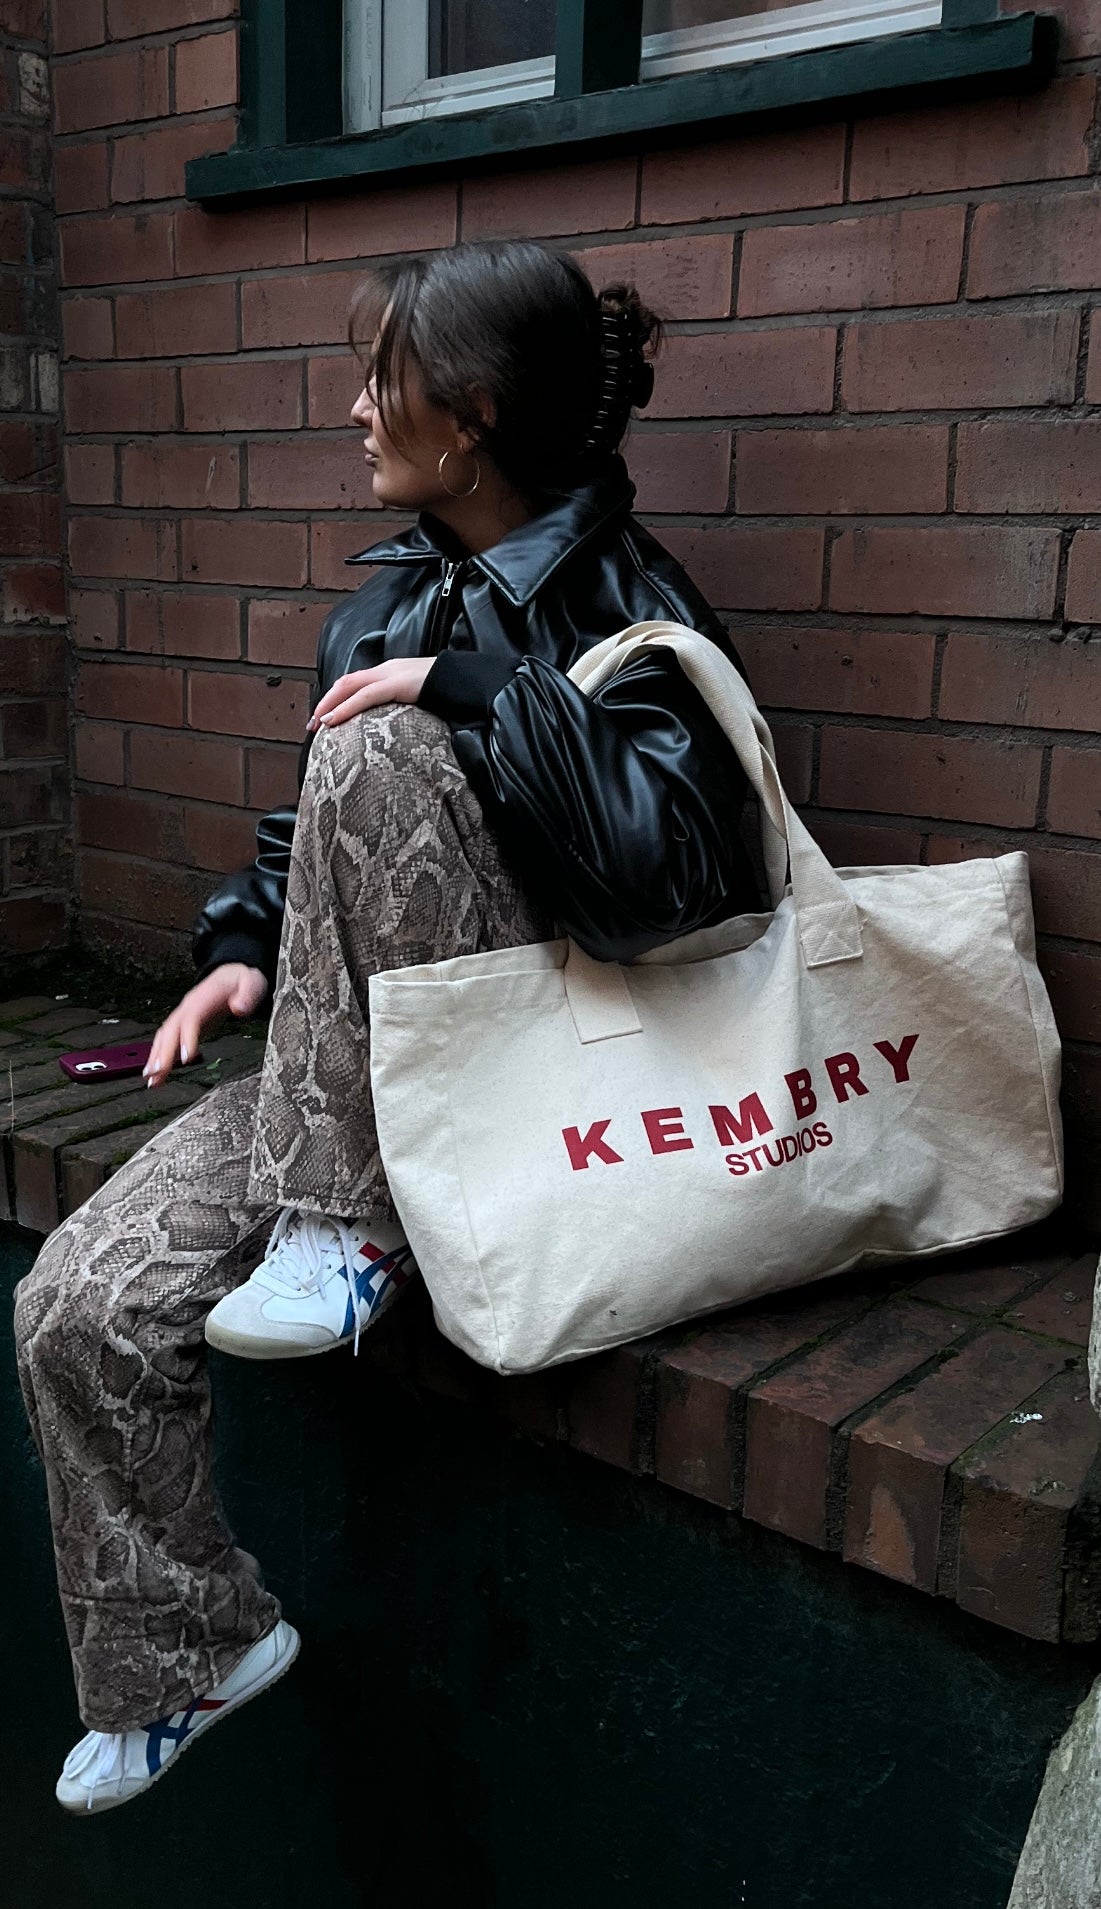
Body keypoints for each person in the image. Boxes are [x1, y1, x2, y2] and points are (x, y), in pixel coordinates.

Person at [14, 238, 756, 1814]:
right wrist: (238, 950)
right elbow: (315, 847)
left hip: (549, 1075)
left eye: (383, 383)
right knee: (76, 1299)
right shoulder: (396, 590)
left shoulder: (631, 604)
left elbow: (676, 884)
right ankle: (190, 1649)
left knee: (380, 750)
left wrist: (481, 687)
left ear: (471, 413)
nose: (354, 411)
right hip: (352, 1087)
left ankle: (345, 1241)